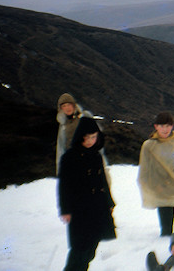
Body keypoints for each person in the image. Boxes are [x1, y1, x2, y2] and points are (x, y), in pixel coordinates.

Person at [58, 116, 116, 271]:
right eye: (87, 137)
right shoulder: (69, 157)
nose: (90, 141)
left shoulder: (96, 156)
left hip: (98, 208)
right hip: (80, 209)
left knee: (91, 248)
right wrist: (65, 210)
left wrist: (109, 203)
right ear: (80, 136)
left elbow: (102, 182)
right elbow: (64, 186)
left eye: (93, 137)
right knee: (80, 248)